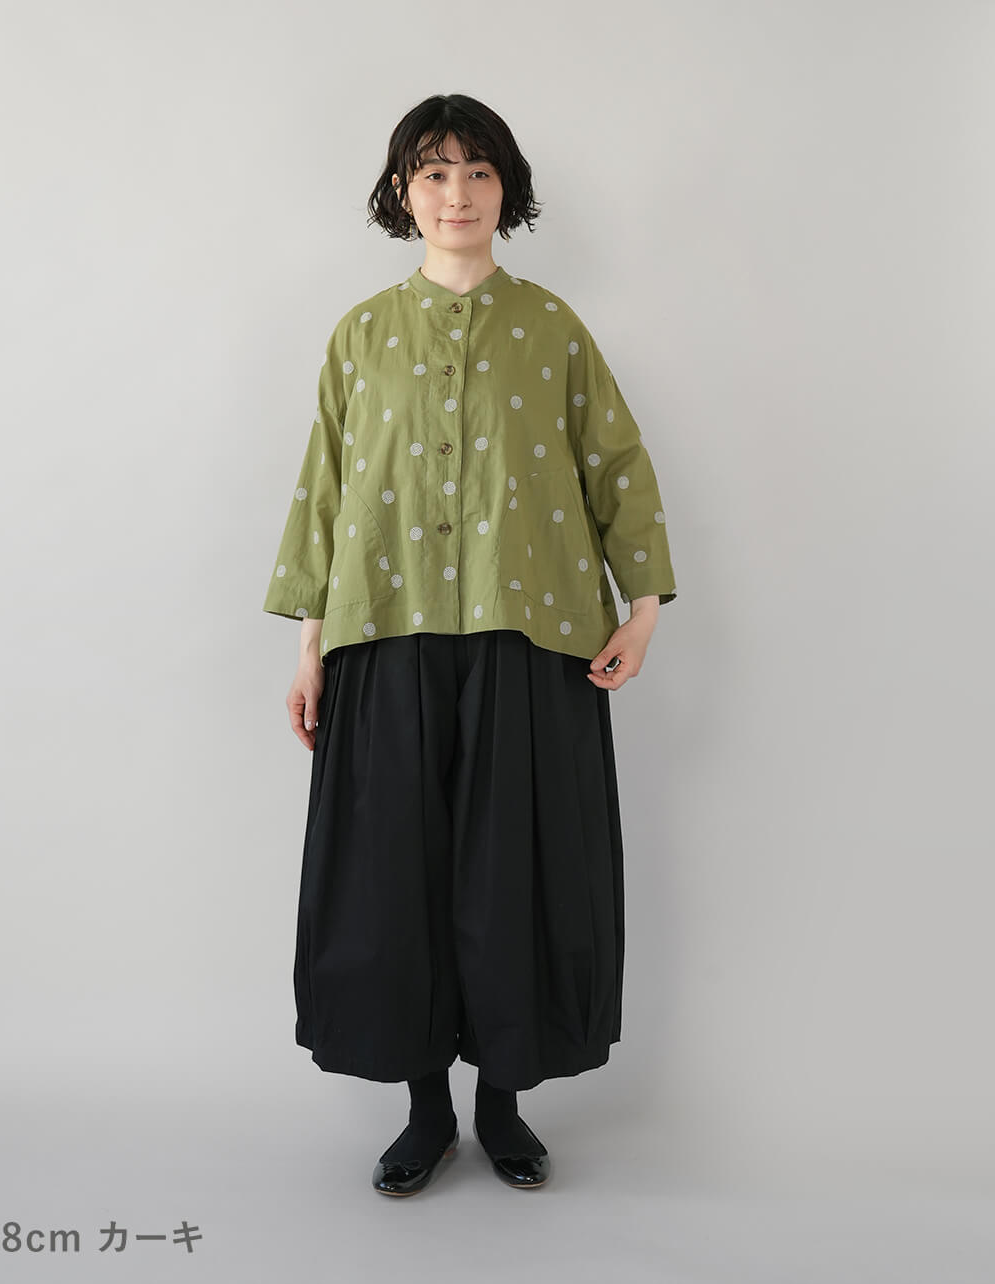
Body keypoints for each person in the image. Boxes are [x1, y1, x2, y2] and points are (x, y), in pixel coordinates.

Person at [261, 94, 678, 1196]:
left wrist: (641, 606)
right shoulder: (359, 335)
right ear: (403, 192)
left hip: (528, 636)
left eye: (479, 171)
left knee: (514, 880)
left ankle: (501, 1105)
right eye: (435, 172)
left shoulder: (552, 328)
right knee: (393, 880)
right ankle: (424, 1112)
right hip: (384, 635)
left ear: (507, 190)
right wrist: (310, 645)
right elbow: (326, 489)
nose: (457, 193)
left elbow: (615, 463)